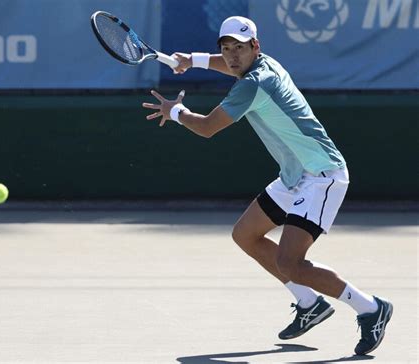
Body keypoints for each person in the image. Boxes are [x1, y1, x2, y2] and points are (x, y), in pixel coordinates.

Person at [142, 16, 392, 355]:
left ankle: (371, 308)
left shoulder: (253, 84)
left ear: (255, 47)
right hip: (294, 175)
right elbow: (228, 66)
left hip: (322, 175)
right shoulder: (262, 64)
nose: (232, 56)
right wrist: (193, 60)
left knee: (291, 263)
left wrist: (175, 112)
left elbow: (207, 128)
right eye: (227, 49)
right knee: (245, 234)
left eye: (240, 49)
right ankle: (309, 303)